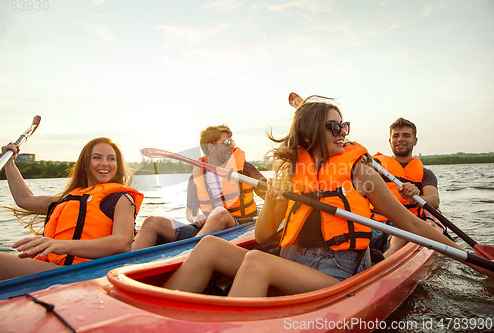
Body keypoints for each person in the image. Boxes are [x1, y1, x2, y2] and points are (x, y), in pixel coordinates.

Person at [160, 95, 491, 298]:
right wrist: (276, 197)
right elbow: (262, 236)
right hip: (293, 263)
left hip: (335, 275)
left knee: (257, 263)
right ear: (309, 133)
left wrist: (467, 256)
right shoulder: (291, 172)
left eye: (343, 126)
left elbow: (411, 225)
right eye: (335, 127)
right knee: (209, 246)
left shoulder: (359, 172)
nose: (342, 133)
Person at [0, 137, 144, 282]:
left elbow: (122, 243)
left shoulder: (121, 199)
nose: (105, 163)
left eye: (111, 159)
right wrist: (9, 163)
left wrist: (62, 245)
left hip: (84, 272)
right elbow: (24, 200)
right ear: (85, 165)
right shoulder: (67, 199)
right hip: (56, 268)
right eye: (97, 158)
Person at [132, 125, 265, 250]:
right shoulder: (196, 177)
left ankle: (189, 255)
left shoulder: (245, 169)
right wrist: (195, 218)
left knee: (220, 214)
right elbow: (189, 212)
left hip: (239, 227)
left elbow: (269, 196)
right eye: (226, 143)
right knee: (151, 222)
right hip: (205, 230)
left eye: (232, 142)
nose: (231, 146)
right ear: (211, 147)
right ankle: (128, 267)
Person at [370, 118, 439, 257]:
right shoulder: (373, 168)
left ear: (415, 141)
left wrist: (415, 198)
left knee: (406, 232)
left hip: (404, 227)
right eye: (396, 136)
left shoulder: (425, 174)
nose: (400, 139)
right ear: (390, 141)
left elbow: (434, 201)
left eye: (406, 135)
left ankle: (383, 260)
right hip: (372, 224)